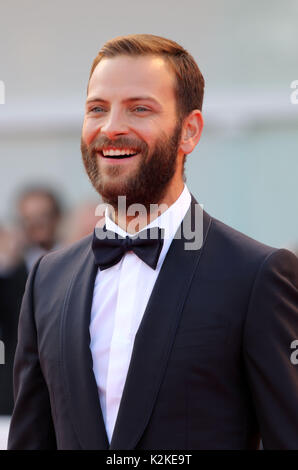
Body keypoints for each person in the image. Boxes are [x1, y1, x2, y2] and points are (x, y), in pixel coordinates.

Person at [7, 34, 298, 450]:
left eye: (139, 108)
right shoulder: (47, 280)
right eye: (97, 109)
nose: (111, 128)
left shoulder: (256, 276)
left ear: (189, 131)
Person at [0, 186, 62, 415]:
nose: (36, 224)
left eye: (43, 216)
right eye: (28, 218)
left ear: (57, 217)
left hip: (63, 389)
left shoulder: (77, 263)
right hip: (14, 392)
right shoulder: (10, 270)